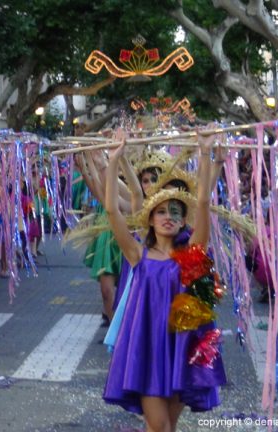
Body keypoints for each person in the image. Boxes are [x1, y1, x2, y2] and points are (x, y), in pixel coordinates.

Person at [102, 129, 226, 432]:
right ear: (150, 219)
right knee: (161, 427)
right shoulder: (137, 255)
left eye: (174, 212)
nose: (167, 216)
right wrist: (114, 160)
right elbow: (110, 209)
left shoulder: (192, 255)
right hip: (147, 350)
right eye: (160, 212)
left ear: (184, 220)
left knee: (166, 426)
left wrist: (206, 154)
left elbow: (203, 204)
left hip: (181, 349)